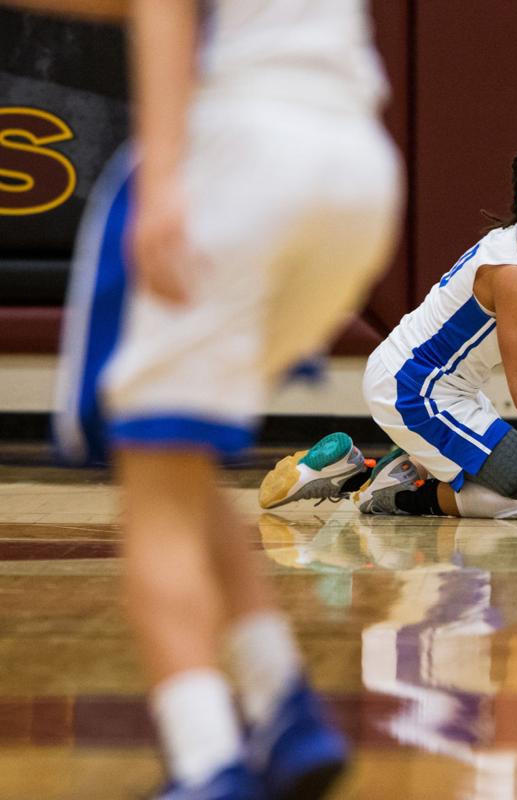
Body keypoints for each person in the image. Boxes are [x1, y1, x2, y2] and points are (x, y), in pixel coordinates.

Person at [51, 1, 401, 797]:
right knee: (174, 465)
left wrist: (167, 177)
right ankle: (283, 709)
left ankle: (207, 762)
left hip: (244, 149)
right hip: (357, 169)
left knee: (154, 497)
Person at [258, 142, 517, 521]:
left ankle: (361, 466)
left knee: (493, 475)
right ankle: (384, 494)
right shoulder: (515, 272)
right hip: (413, 389)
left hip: (448, 391)